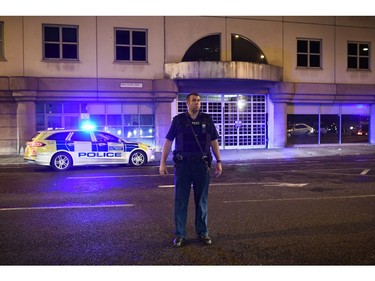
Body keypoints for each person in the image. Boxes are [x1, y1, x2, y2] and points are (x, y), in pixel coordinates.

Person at [159, 92, 222, 247]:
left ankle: (203, 233)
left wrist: (219, 161)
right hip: (183, 166)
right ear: (187, 103)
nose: (197, 103)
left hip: (201, 165)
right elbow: (168, 141)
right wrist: (162, 163)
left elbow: (214, 141)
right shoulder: (179, 120)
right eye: (194, 101)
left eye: (199, 101)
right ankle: (180, 234)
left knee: (201, 201)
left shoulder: (207, 120)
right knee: (181, 201)